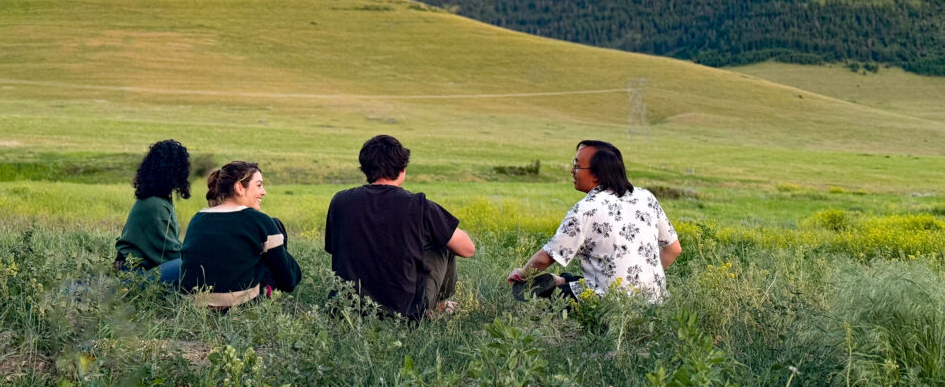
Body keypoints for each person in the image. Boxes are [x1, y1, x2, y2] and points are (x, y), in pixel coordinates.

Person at [325, 135, 475, 320]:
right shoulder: (419, 205)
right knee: (444, 240)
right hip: (405, 312)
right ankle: (436, 306)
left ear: (365, 169)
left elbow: (334, 250)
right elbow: (467, 249)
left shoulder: (340, 201)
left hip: (347, 308)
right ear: (402, 169)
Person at [508, 140, 681, 302]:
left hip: (606, 305)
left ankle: (558, 282)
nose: (572, 171)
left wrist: (521, 276)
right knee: (593, 281)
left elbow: (544, 259)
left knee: (542, 298)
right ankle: (561, 280)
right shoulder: (646, 197)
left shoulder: (585, 210)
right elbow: (674, 249)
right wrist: (641, 282)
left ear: (597, 175)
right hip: (654, 302)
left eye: (576, 166)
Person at [180, 161, 301, 309]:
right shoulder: (260, 220)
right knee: (275, 231)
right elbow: (288, 281)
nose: (263, 191)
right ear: (239, 187)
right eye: (258, 185)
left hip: (194, 303)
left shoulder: (197, 218)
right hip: (239, 305)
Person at [114, 139, 189, 285]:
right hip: (136, 276)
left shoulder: (157, 199)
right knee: (190, 266)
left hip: (135, 270)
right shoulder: (155, 205)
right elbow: (170, 253)